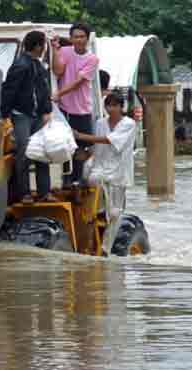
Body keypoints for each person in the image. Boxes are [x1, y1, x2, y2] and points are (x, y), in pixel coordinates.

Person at [72, 92, 136, 254]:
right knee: (92, 178)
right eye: (108, 105)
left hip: (118, 171)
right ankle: (98, 213)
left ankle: (106, 248)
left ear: (122, 107)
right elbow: (97, 145)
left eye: (115, 105)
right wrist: (85, 153)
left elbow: (109, 140)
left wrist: (81, 136)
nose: (111, 108)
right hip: (100, 166)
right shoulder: (100, 123)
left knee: (115, 214)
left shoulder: (128, 124)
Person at [0, 30, 53, 204]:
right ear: (38, 46)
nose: (44, 48)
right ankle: (24, 193)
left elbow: (44, 91)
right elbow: (8, 91)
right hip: (22, 115)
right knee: (24, 152)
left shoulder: (38, 65)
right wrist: (6, 115)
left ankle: (44, 191)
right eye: (43, 44)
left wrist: (47, 110)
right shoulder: (20, 65)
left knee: (42, 151)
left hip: (36, 115)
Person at [51, 22, 100, 184]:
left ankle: (79, 179)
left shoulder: (92, 59)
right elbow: (58, 70)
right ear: (71, 38)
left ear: (87, 38)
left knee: (82, 147)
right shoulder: (65, 51)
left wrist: (59, 93)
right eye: (76, 37)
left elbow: (78, 82)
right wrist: (55, 50)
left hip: (81, 109)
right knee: (65, 145)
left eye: (82, 36)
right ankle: (67, 179)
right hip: (63, 108)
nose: (79, 40)